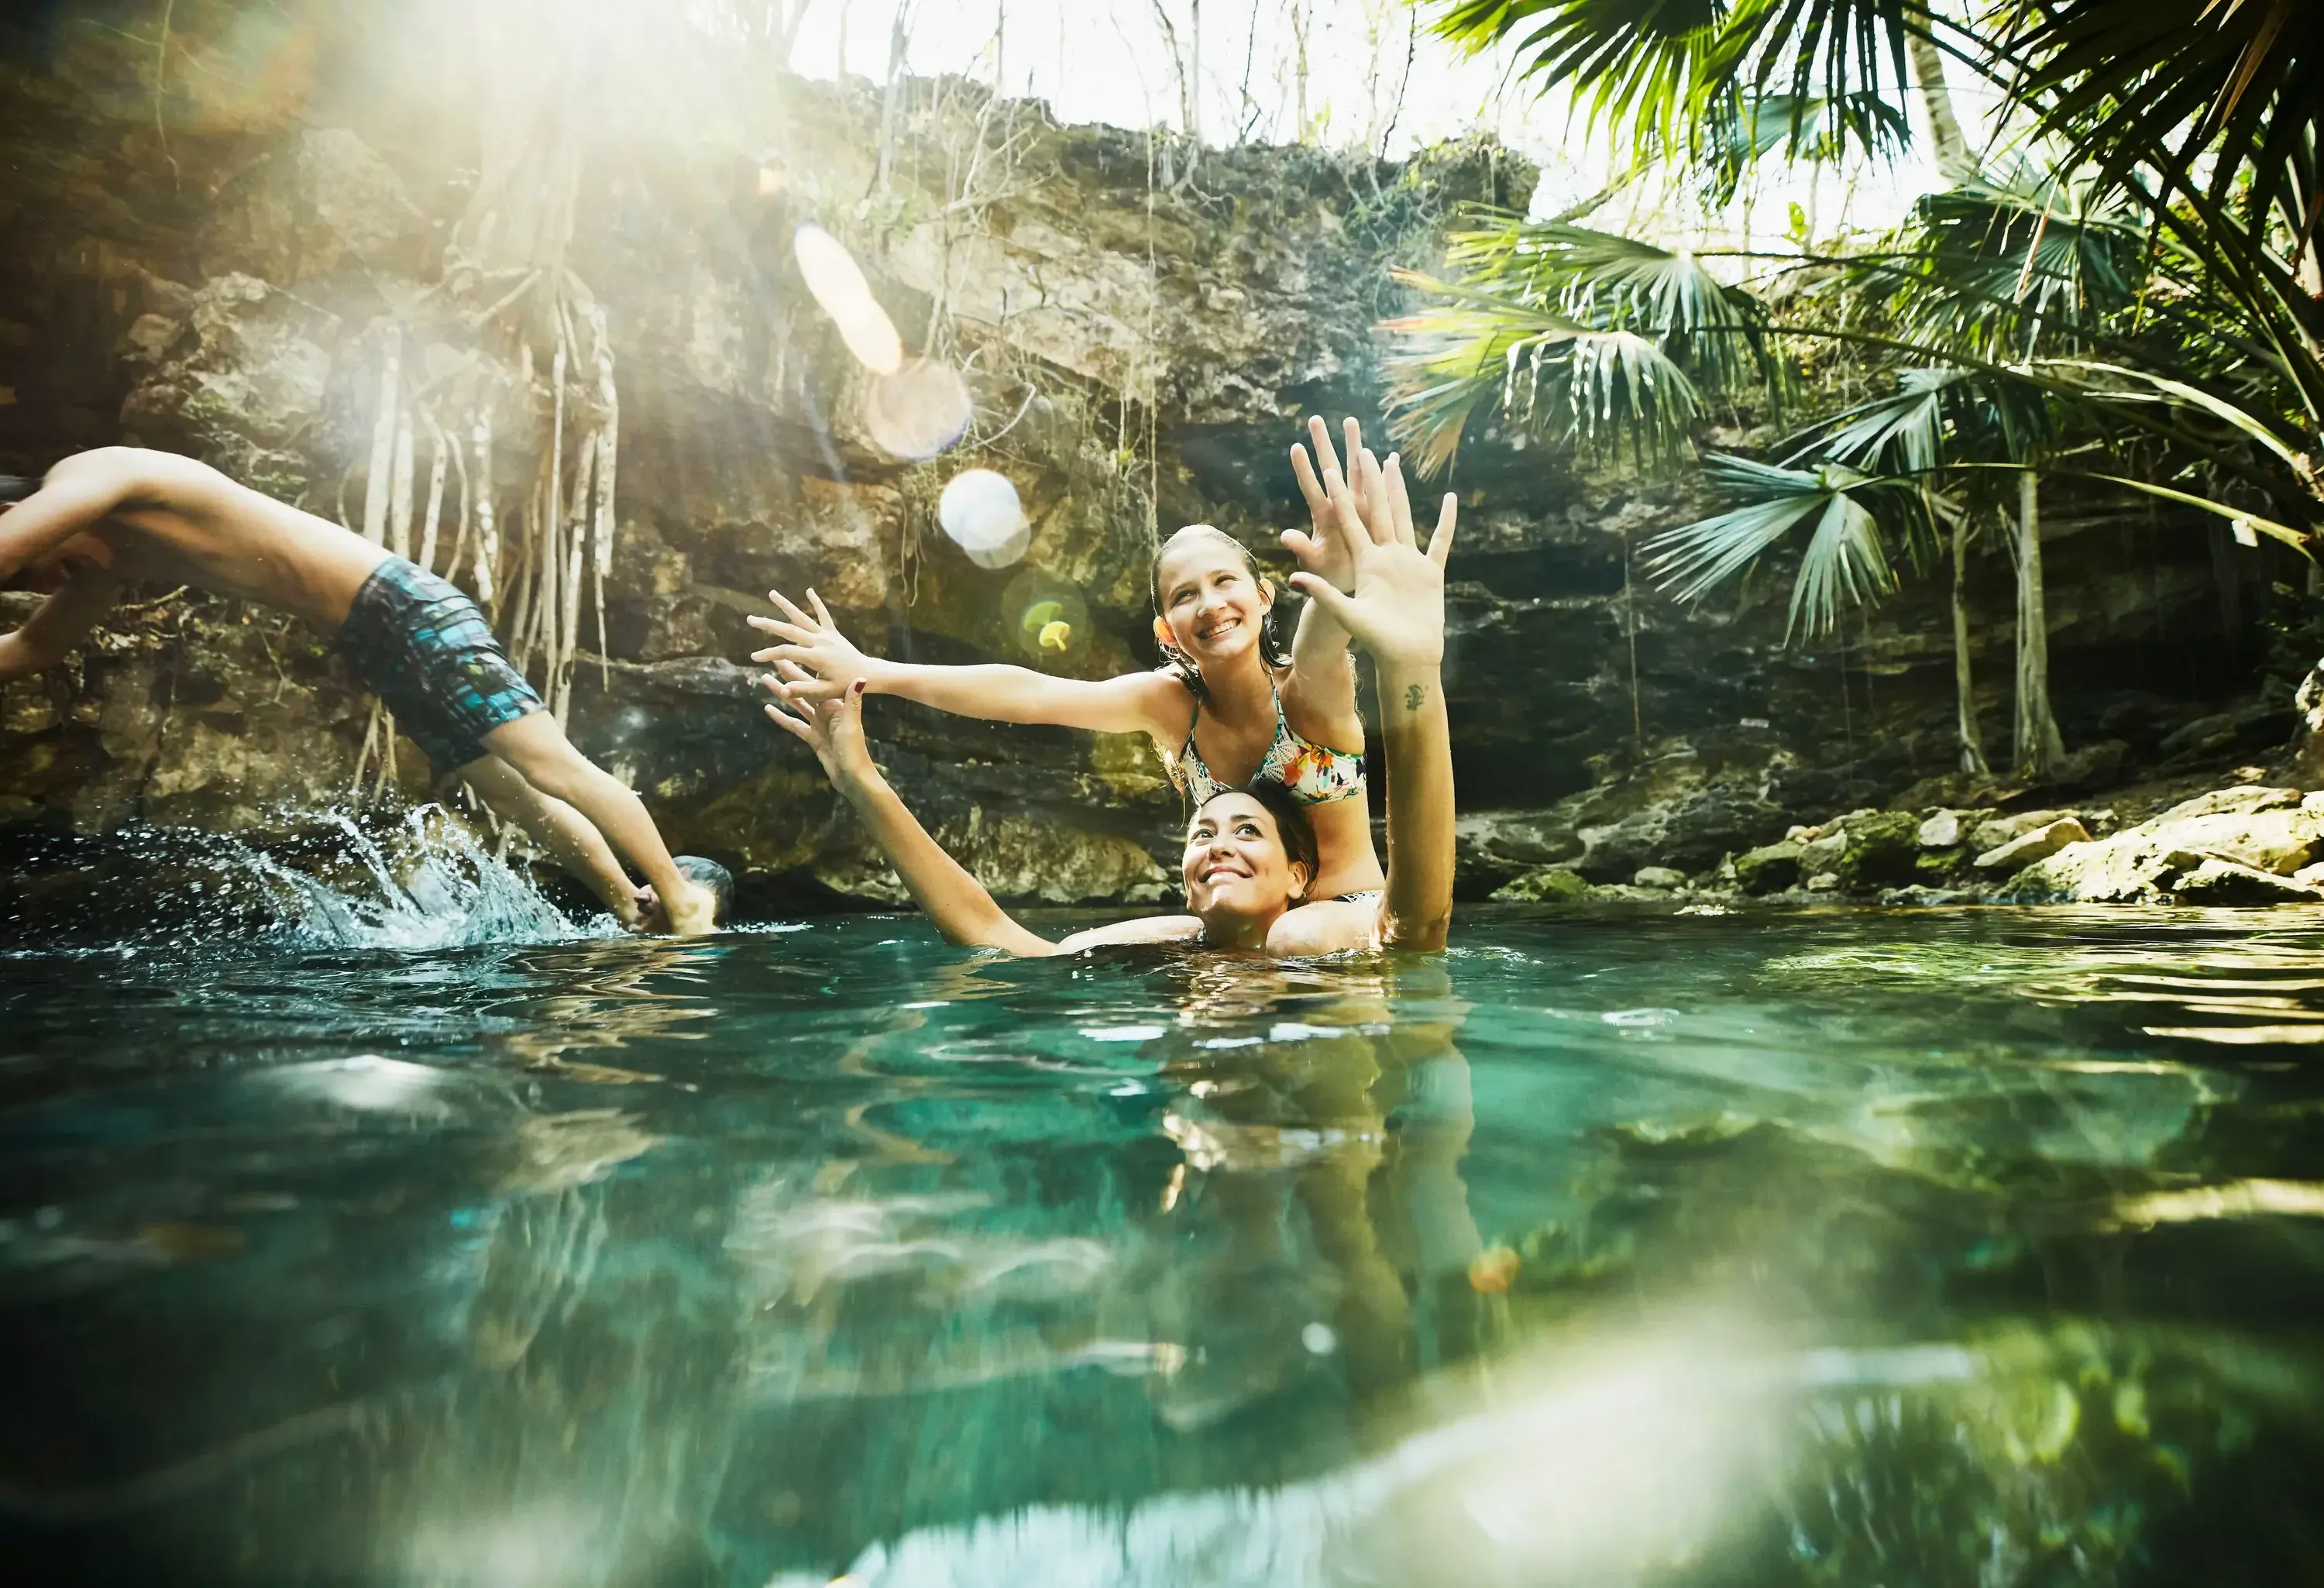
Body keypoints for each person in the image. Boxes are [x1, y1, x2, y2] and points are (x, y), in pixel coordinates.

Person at [749, 416, 1410, 957]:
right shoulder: (1168, 706)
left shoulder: (1307, 695)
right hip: (1236, 924)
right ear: (1167, 630)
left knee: (1296, 934)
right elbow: (1031, 694)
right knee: (1067, 952)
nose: (1209, 605)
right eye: (1185, 595)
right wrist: (878, 673)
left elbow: (1321, 646)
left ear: (1264, 597)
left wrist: (1335, 582)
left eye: (1224, 582)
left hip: (1345, 919)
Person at [0, 446, 720, 934]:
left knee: (545, 762)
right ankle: (632, 909)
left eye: (41, 565)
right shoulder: (101, 560)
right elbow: (32, 649)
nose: (45, 584)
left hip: (402, 606)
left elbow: (13, 546)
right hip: (369, 640)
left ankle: (680, 895)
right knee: (507, 788)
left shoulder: (95, 473)